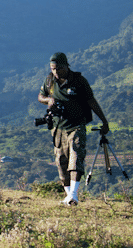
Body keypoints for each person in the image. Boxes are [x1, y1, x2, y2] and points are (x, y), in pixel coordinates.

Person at [37, 52, 109, 206]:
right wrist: (49, 100)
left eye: (59, 69)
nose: (56, 72)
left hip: (76, 125)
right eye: (53, 69)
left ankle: (74, 195)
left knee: (75, 157)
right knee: (61, 160)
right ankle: (69, 196)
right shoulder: (49, 80)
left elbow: (91, 101)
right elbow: (40, 96)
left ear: (66, 66)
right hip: (57, 127)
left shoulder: (79, 81)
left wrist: (104, 120)